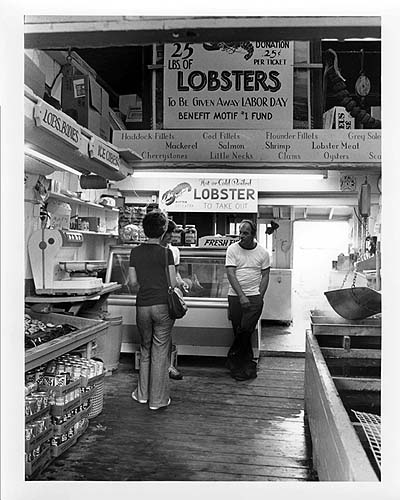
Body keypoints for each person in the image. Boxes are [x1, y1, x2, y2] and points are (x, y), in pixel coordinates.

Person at [129, 210, 177, 410]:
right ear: (163, 229)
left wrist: (145, 286)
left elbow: (132, 282)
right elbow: (173, 282)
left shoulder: (135, 252)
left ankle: (142, 394)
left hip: (142, 306)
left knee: (145, 348)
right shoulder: (166, 253)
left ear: (144, 229)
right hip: (162, 306)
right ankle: (157, 400)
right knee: (160, 351)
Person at [225, 219, 271, 381]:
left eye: (245, 233)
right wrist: (241, 296)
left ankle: (233, 359)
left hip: (254, 297)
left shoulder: (263, 253)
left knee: (245, 330)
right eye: (240, 232)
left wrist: (260, 296)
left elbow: (265, 275)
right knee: (240, 331)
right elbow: (230, 274)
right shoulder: (232, 249)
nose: (241, 236)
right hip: (235, 296)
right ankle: (245, 364)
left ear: (253, 234)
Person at [160, 219, 189, 380]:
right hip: (157, 296)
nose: (171, 236)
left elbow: (175, 274)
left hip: (168, 297)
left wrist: (181, 282)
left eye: (173, 232)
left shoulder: (174, 251)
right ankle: (158, 368)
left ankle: (168, 366)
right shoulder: (154, 249)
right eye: (169, 233)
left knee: (166, 333)